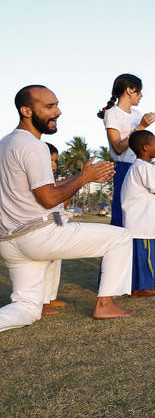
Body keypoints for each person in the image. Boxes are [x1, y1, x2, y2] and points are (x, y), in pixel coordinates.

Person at [0, 85, 133, 332]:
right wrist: (84, 178)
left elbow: (38, 188)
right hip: (38, 237)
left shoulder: (5, 143)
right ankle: (105, 305)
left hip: (10, 241)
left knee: (27, 308)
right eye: (49, 106)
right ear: (26, 110)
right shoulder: (33, 145)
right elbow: (49, 198)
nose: (58, 111)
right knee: (121, 237)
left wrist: (82, 176)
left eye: (57, 104)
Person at [97, 73, 155, 227]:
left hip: (140, 165)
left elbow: (146, 145)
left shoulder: (137, 114)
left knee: (140, 214)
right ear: (129, 90)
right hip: (124, 168)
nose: (141, 95)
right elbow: (118, 148)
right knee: (122, 215)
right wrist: (141, 127)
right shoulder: (112, 114)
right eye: (139, 91)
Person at [120, 130, 155, 298]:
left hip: (139, 223)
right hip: (140, 223)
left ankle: (142, 286)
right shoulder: (143, 166)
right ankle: (139, 288)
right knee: (143, 257)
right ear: (146, 148)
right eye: (154, 143)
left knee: (142, 256)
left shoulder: (140, 166)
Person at [41, 143, 69, 315]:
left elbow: (60, 204)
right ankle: (40, 301)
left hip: (57, 220)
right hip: (41, 224)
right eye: (50, 161)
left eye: (55, 161)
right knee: (43, 263)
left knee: (56, 260)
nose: (53, 165)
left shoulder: (52, 181)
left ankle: (50, 297)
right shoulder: (37, 181)